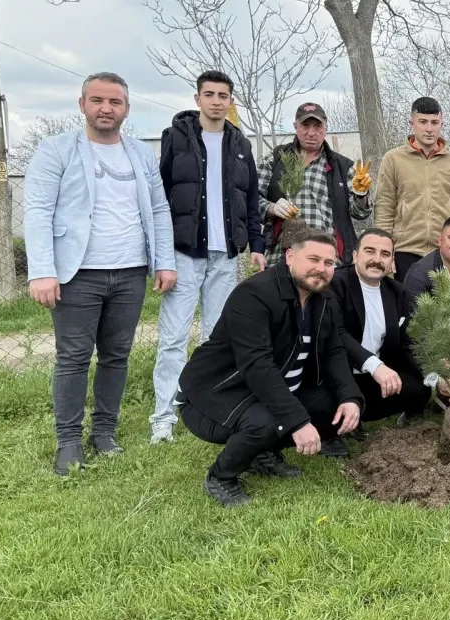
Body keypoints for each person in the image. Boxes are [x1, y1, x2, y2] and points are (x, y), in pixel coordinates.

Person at [23, 72, 177, 475]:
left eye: (115, 102)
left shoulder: (141, 154)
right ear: (82, 105)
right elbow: (37, 211)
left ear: (126, 108)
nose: (106, 108)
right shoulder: (55, 150)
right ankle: (68, 442)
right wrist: (42, 271)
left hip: (129, 272)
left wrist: (164, 261)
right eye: (97, 100)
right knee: (72, 357)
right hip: (77, 274)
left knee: (117, 356)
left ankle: (104, 433)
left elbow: (159, 209)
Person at [175, 229, 364, 506]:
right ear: (290, 256)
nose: (321, 269)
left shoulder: (323, 299)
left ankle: (263, 454)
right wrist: (297, 421)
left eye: (328, 263)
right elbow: (257, 365)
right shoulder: (254, 295)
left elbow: (335, 351)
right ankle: (221, 477)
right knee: (266, 420)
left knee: (331, 404)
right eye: (313, 259)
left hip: (268, 389)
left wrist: (350, 397)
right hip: (214, 395)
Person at [150, 70, 266, 445]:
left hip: (226, 255)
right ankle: (163, 417)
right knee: (174, 336)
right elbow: (159, 197)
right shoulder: (177, 139)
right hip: (185, 253)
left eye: (224, 95)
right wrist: (161, 255)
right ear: (198, 98)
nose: (217, 101)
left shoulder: (241, 146)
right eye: (210, 94)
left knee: (217, 336)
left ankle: (203, 405)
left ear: (231, 101)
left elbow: (250, 202)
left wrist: (257, 246)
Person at [329, 228, 430, 446]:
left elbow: (406, 343)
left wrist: (435, 373)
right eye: (370, 251)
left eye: (385, 254)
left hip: (373, 376)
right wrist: (374, 365)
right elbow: (336, 334)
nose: (377, 260)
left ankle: (358, 414)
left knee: (419, 388)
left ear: (392, 261)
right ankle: (340, 421)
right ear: (355, 255)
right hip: (337, 374)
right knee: (326, 401)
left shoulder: (397, 292)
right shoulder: (336, 284)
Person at [374, 96, 450, 282]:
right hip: (405, 250)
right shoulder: (393, 159)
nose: (429, 129)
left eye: (434, 123)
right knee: (406, 310)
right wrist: (384, 253)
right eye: (423, 122)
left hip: (447, 251)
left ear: (441, 124)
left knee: (447, 310)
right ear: (412, 123)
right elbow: (384, 208)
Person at [258, 101, 372, 265]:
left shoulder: (343, 167)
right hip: (282, 257)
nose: (311, 132)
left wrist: (361, 194)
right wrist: (272, 208)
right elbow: (250, 200)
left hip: (329, 258)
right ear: (295, 126)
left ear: (326, 128)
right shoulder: (275, 159)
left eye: (317, 126)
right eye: (305, 125)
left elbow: (361, 214)